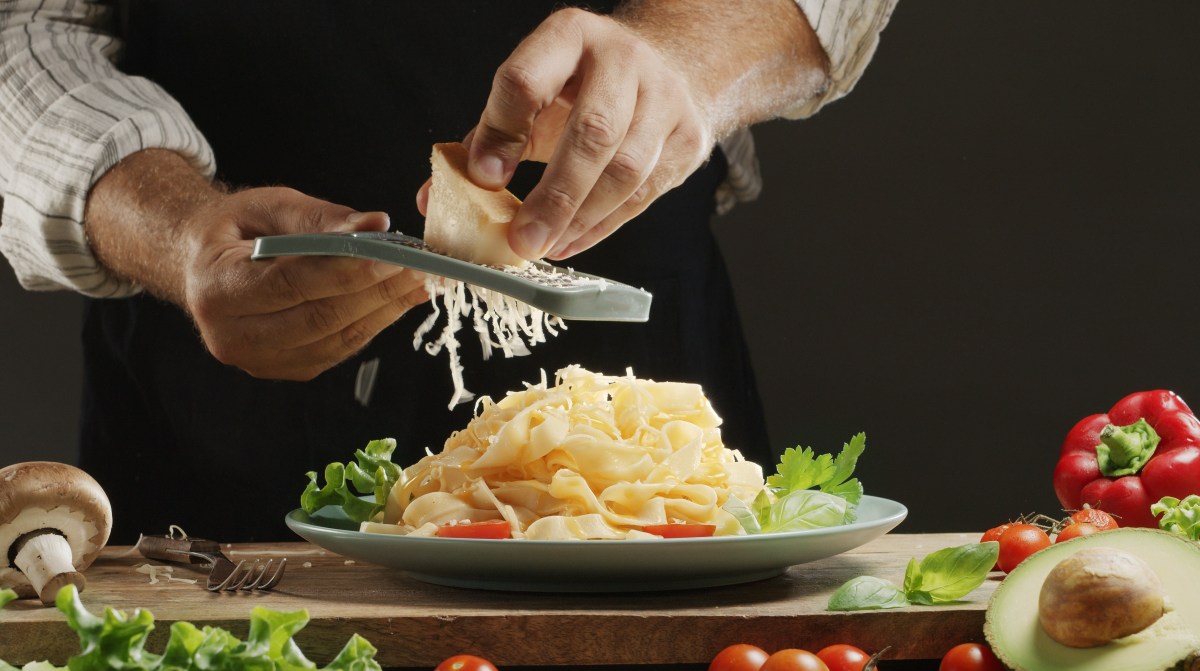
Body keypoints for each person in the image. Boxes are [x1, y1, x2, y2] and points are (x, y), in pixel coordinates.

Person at [0, 1, 896, 543]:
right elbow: (21, 31)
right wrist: (173, 228)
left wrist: (683, 61)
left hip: (645, 389)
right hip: (208, 411)